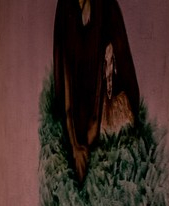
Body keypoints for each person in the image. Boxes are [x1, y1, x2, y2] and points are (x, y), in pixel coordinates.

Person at [53, 0, 139, 183]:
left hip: (106, 114)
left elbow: (119, 70)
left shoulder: (106, 7)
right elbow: (64, 76)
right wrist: (75, 145)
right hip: (78, 121)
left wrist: (94, 127)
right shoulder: (66, 8)